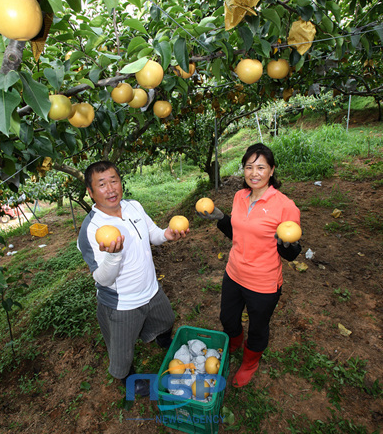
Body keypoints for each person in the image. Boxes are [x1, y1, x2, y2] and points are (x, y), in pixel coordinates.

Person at [77, 160, 188, 396]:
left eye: (114, 181)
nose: (110, 189)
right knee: (122, 350)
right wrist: (114, 256)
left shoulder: (133, 207)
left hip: (151, 289)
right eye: (102, 184)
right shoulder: (91, 229)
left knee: (166, 319)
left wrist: (166, 234)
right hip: (122, 303)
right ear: (90, 191)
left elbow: (152, 234)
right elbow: (102, 278)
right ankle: (128, 378)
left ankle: (161, 339)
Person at [198, 143, 301, 387]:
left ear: (272, 170)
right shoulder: (240, 196)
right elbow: (238, 233)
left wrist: (285, 245)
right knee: (228, 318)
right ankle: (234, 341)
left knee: (258, 327)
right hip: (234, 273)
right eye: (249, 167)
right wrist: (222, 218)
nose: (254, 173)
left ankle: (250, 362)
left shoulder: (285, 206)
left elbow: (292, 253)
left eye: (261, 167)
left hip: (263, 282)